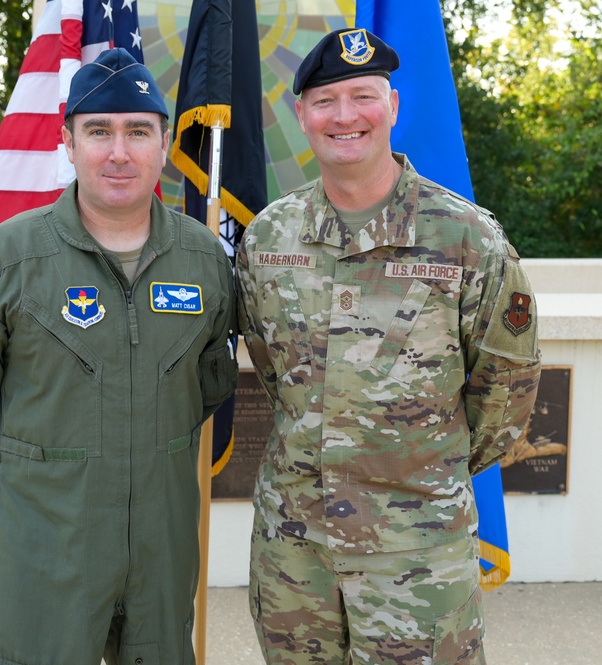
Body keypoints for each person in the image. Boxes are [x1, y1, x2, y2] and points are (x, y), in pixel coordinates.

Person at [235, 28, 541, 664]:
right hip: (296, 553)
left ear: (393, 106)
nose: (345, 116)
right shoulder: (269, 237)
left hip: (416, 554)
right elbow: (275, 372)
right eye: (325, 101)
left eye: (362, 96)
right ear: (302, 116)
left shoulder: (466, 238)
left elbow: (504, 397)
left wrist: (412, 477)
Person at [0, 48, 238, 665]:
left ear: (165, 141)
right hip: (47, 540)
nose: (118, 152)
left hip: (161, 542)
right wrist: (41, 466)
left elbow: (209, 379)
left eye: (137, 132)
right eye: (98, 131)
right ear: (68, 141)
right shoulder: (6, 259)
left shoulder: (205, 260)